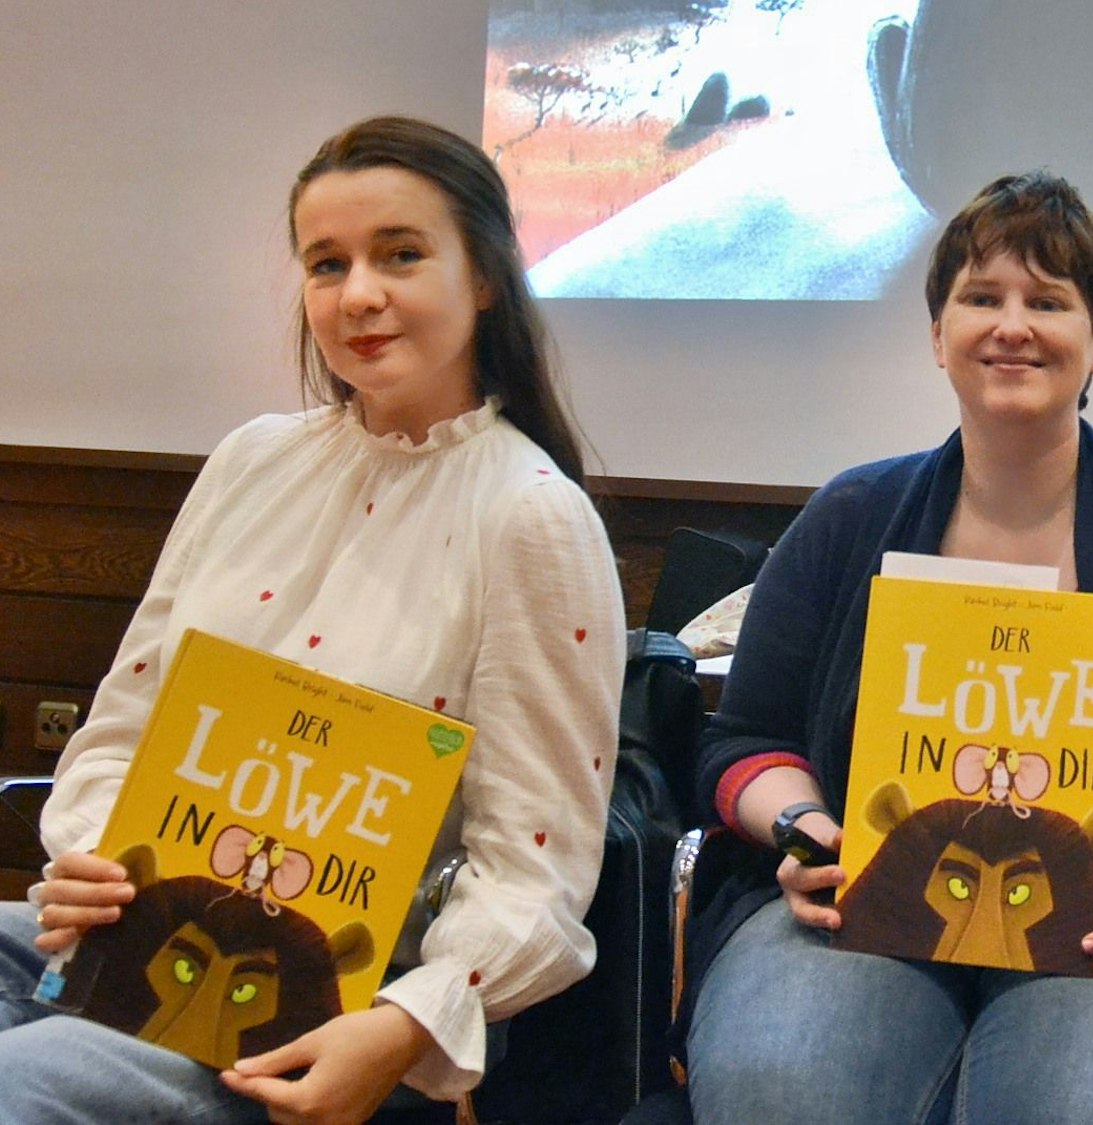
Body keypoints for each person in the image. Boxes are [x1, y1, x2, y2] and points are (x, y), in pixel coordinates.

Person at [676, 171, 1093, 1124]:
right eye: (981, 298)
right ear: (937, 334)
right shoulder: (849, 518)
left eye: (1049, 301)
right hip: (864, 922)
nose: (1012, 325)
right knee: (782, 1088)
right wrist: (807, 832)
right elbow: (744, 742)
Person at [0, 115, 625, 1124]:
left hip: (332, 998)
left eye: (401, 254)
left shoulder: (531, 517)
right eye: (326, 264)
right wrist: (89, 860)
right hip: (140, 928)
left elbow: (534, 876)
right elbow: (123, 728)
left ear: (485, 276)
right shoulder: (252, 459)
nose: (359, 294)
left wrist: (409, 1026)